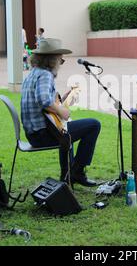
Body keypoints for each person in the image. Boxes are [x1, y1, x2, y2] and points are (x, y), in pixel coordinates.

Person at [21, 39, 101, 187]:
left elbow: (44, 103)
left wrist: (62, 101)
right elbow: (43, 100)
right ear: (52, 60)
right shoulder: (45, 75)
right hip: (43, 135)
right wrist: (62, 111)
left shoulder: (33, 73)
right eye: (60, 60)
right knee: (94, 125)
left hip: (34, 134)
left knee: (65, 129)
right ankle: (76, 172)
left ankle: (67, 175)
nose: (60, 63)